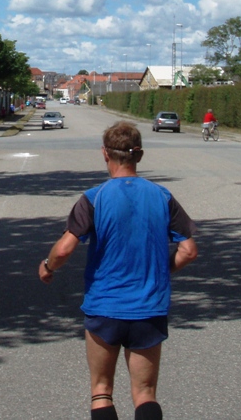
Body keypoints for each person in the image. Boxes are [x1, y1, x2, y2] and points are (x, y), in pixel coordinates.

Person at [39, 121, 198, 420]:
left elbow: (63, 249)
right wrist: (159, 273)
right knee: (145, 394)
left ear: (104, 154)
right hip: (149, 309)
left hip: (105, 308)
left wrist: (47, 267)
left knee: (101, 390)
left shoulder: (94, 197)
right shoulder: (162, 196)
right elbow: (189, 250)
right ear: (139, 155)